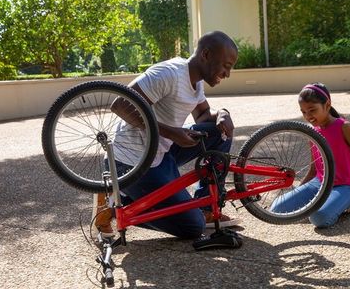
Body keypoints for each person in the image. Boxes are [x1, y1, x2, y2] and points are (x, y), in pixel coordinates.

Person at [93, 31, 241, 239]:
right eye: (226, 66)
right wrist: (172, 132)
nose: (227, 74)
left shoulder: (196, 80)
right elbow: (120, 106)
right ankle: (117, 202)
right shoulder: (169, 74)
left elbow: (203, 116)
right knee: (192, 227)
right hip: (132, 163)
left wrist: (222, 114)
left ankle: (206, 206)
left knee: (218, 132)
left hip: (161, 153)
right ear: (206, 55)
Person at [271, 82, 350, 228]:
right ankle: (329, 203)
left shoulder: (344, 127)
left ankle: (347, 204)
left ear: (327, 105)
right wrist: (299, 191)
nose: (308, 116)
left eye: (312, 110)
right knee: (277, 209)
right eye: (303, 112)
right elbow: (315, 169)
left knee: (318, 218)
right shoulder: (312, 131)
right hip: (319, 183)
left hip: (347, 186)